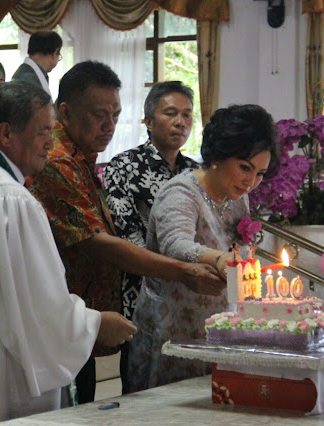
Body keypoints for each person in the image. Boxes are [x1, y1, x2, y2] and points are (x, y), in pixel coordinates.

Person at [0, 81, 136, 425]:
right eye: (43, 132)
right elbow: (35, 304)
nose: (51, 143)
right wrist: (95, 324)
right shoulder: (6, 198)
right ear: (6, 133)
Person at [27, 61, 225, 404]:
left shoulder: (83, 156)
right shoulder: (64, 162)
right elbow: (103, 242)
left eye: (116, 115)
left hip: (94, 302)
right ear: (66, 112)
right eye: (99, 115)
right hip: (77, 306)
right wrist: (185, 270)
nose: (109, 126)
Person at [127, 104, 281, 393]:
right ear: (218, 156)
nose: (250, 182)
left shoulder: (237, 196)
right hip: (172, 329)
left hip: (216, 328)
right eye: (244, 168)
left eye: (260, 173)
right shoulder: (181, 192)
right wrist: (219, 258)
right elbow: (175, 243)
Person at [103, 81, 199, 393]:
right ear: (148, 120)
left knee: (190, 387)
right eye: (170, 113)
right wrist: (178, 268)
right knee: (142, 389)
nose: (180, 122)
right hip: (142, 295)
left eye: (187, 115)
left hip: (191, 297)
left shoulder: (195, 172)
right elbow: (126, 234)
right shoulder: (124, 166)